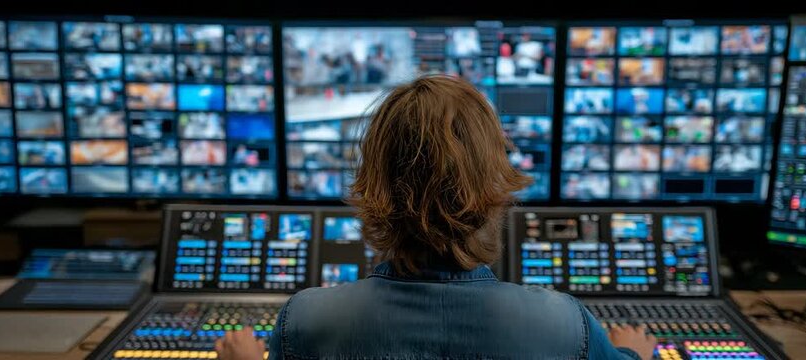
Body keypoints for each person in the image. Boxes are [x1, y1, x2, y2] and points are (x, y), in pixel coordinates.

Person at [215, 75, 658, 360]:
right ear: (496, 191)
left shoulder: (306, 322)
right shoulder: (565, 325)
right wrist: (630, 353)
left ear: (372, 189)